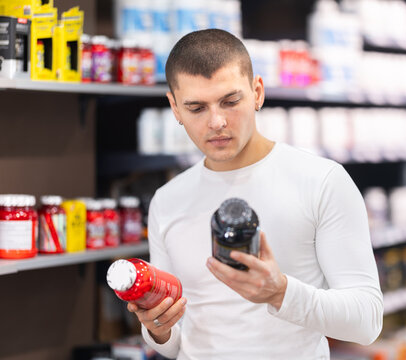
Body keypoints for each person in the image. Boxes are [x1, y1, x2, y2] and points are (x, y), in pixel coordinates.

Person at [127, 28, 383, 359]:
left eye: (230, 101)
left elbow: (367, 321)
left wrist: (281, 293)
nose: (217, 121)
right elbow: (177, 341)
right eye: (196, 108)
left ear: (257, 92)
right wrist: (158, 329)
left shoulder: (322, 181)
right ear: (175, 108)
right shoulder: (167, 200)